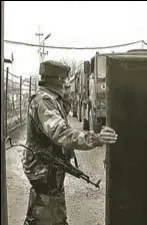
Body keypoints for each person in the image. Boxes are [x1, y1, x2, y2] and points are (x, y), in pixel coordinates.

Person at [22, 60, 118, 225]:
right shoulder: (44, 101)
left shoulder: (52, 99)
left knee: (56, 218)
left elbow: (63, 114)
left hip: (50, 176)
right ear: (58, 80)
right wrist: (95, 138)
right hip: (44, 175)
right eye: (65, 80)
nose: (68, 84)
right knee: (44, 217)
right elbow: (62, 134)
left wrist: (66, 96)